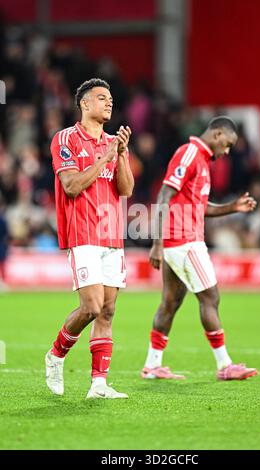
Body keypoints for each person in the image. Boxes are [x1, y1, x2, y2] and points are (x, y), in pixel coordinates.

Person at [141, 116, 258, 381]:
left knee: (170, 303)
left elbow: (199, 207)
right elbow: (163, 196)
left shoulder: (202, 161)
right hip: (183, 240)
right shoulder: (190, 153)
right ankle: (224, 365)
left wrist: (232, 207)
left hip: (179, 241)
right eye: (227, 144)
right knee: (210, 298)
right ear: (217, 134)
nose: (226, 151)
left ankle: (152, 365)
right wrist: (157, 244)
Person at [46, 78, 134, 399]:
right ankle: (56, 355)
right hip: (83, 234)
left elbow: (125, 190)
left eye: (110, 98)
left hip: (112, 237)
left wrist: (121, 155)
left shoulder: (112, 142)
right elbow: (71, 185)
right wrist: (105, 157)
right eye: (101, 98)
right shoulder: (65, 139)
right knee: (92, 307)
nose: (109, 103)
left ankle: (99, 384)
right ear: (84, 104)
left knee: (108, 311)